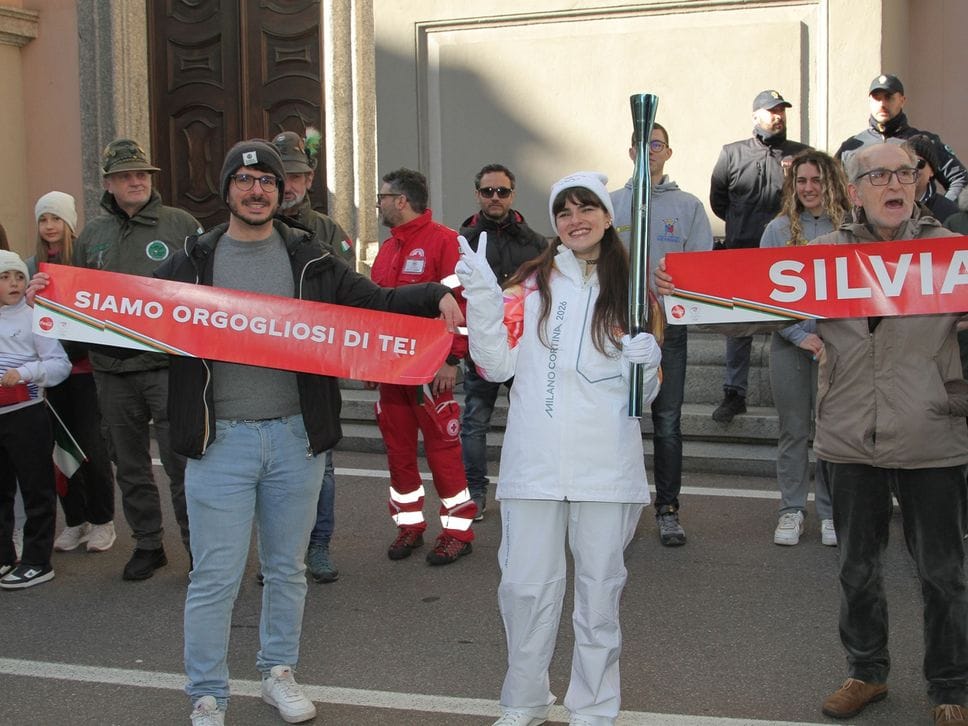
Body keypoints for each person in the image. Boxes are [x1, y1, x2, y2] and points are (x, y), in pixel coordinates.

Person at [140, 140, 462, 725]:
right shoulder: (192, 259)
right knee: (215, 574)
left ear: (281, 190)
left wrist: (435, 292)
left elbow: (377, 299)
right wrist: (52, 303)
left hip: (294, 439)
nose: (257, 190)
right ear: (228, 189)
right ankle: (207, 693)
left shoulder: (311, 259)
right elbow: (127, 312)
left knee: (287, 568)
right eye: (244, 180)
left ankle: (277, 672)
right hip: (220, 443)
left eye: (267, 180)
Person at [657, 142, 968, 726]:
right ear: (853, 192)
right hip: (850, 434)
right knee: (857, 566)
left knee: (943, 574)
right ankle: (866, 672)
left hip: (933, 435)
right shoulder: (822, 258)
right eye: (877, 176)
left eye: (904, 173)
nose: (893, 184)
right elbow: (747, 307)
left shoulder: (950, 253)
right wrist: (682, 290)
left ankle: (951, 686)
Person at [456, 171, 661, 726]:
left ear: (607, 215)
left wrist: (649, 362)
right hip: (536, 465)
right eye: (565, 212)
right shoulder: (531, 286)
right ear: (555, 224)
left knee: (598, 597)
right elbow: (495, 365)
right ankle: (523, 701)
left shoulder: (633, 290)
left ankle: (593, 707)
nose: (576, 219)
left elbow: (648, 395)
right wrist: (481, 299)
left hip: (605, 468)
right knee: (525, 592)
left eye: (586, 207)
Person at [72, 138, 202, 580]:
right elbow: (74, 298)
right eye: (126, 175)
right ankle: (148, 544)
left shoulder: (180, 224)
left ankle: (197, 550)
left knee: (183, 463)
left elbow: (206, 289)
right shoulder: (92, 235)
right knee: (128, 464)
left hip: (168, 367)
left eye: (142, 174)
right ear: (108, 183)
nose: (136, 181)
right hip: (112, 372)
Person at [611, 122, 713, 547]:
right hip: (614, 332)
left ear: (668, 153)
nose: (650, 150)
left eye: (658, 144)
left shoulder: (688, 207)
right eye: (642, 143)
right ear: (631, 151)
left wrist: (677, 289)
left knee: (667, 422)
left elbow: (703, 272)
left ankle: (668, 510)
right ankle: (619, 507)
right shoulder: (612, 204)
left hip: (667, 332)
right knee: (620, 421)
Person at [371, 167, 477, 565]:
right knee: (397, 451)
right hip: (391, 370)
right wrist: (371, 362)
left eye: (382, 197)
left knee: (442, 452)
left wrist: (452, 357)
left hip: (433, 370)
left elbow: (464, 305)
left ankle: (457, 531)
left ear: (400, 200)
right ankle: (410, 525)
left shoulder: (446, 243)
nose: (379, 204)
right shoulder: (387, 249)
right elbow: (374, 311)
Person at [271, 129, 355, 584]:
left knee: (318, 461)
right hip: (263, 365)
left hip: (316, 363)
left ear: (310, 179)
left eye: (298, 176)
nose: (289, 185)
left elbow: (353, 293)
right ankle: (279, 554)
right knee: (267, 467)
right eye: (281, 175)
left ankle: (318, 545)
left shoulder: (327, 231)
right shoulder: (246, 229)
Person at [758, 151, 849, 547]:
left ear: (830, 183)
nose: (808, 188)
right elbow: (763, 295)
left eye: (816, 180)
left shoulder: (849, 229)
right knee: (793, 431)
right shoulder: (777, 230)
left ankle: (830, 513)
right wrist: (798, 335)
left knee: (831, 433)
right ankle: (791, 510)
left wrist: (831, 337)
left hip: (838, 348)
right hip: (789, 346)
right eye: (801, 182)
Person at [709, 90, 810, 423]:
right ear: (756, 116)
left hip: (789, 255)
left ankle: (803, 395)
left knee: (796, 321)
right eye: (771, 111)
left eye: (781, 110)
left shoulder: (802, 155)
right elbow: (719, 202)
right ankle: (734, 393)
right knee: (739, 325)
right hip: (744, 252)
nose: (778, 115)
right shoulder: (733, 154)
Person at [25, 192, 117, 554]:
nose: (49, 227)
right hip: (49, 375)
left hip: (83, 370)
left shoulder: (82, 261)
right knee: (61, 452)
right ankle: (75, 521)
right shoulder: (30, 266)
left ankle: (102, 521)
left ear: (68, 224)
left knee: (91, 447)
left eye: (55, 220)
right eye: (43, 220)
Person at [457, 163, 547, 520]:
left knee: (531, 420)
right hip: (481, 347)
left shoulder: (535, 241)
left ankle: (530, 488)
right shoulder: (462, 239)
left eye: (502, 191)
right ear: (477, 194)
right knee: (475, 423)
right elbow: (453, 296)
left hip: (525, 350)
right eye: (488, 191)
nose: (495, 197)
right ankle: (475, 492)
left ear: (513, 194)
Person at [0, 250, 71, 589]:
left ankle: (36, 560)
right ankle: (3, 557)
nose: (14, 283)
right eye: (4, 278)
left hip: (25, 415)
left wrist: (25, 372)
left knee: (36, 489)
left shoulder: (34, 316)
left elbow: (60, 366)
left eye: (18, 277)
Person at [836, 74, 967, 202]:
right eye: (877, 98)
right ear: (869, 101)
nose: (882, 104)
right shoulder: (851, 147)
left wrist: (943, 212)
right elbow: (832, 188)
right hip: (864, 222)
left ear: (902, 100)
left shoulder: (924, 143)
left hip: (917, 222)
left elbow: (960, 179)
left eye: (889, 97)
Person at [901, 135, 960, 223]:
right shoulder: (887, 205)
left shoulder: (949, 212)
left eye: (918, 163)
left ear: (932, 171)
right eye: (908, 162)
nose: (912, 169)